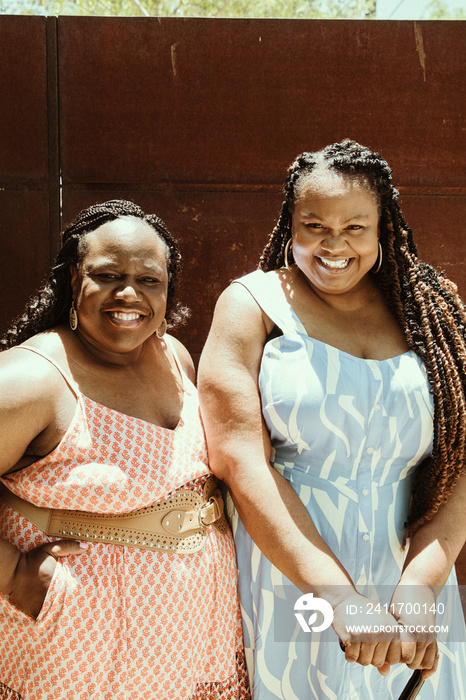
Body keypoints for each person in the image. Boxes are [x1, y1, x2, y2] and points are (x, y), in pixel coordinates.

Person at [198, 140, 466, 698]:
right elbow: (238, 458)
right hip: (291, 574)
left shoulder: (426, 309)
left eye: (354, 227)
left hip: (409, 577)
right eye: (314, 225)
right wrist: (337, 597)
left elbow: (462, 456)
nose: (333, 244)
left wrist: (421, 584)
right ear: (289, 223)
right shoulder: (253, 305)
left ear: (382, 227)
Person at [0, 200, 250, 700]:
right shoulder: (34, 380)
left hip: (201, 641)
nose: (129, 293)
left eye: (149, 279)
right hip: (79, 649)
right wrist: (11, 575)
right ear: (74, 279)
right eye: (108, 275)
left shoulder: (173, 356)